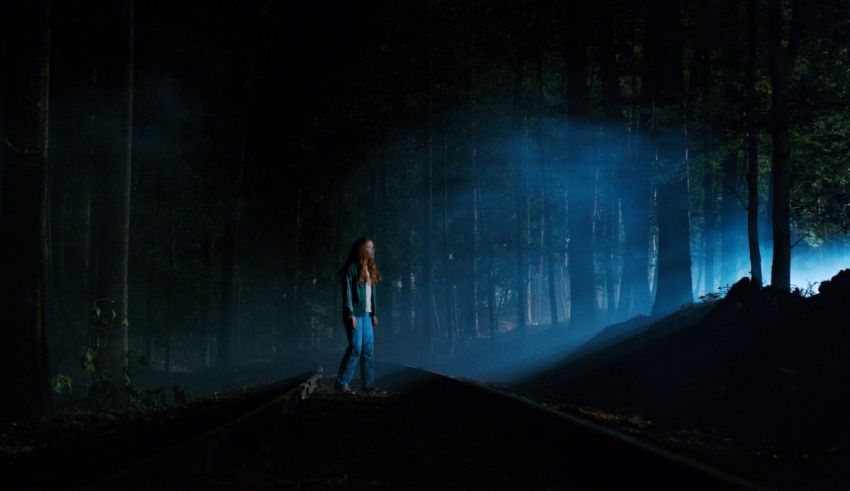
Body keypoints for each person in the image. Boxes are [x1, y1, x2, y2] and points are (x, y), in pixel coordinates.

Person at [335, 237, 380, 394]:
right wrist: (350, 314)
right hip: (354, 314)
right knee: (356, 348)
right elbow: (347, 292)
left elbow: (371, 294)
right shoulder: (351, 268)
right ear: (361, 249)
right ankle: (342, 383)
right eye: (369, 247)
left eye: (372, 247)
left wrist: (374, 313)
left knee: (368, 349)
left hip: (367, 315)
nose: (372, 250)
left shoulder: (370, 268)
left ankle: (368, 385)